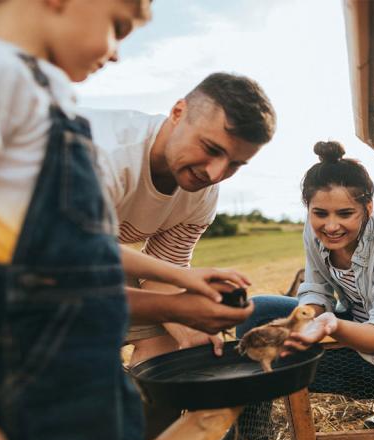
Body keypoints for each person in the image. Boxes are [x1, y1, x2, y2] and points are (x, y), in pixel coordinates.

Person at [0, 1, 157, 440]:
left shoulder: (53, 102)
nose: (115, 54)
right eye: (119, 25)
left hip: (84, 400)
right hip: (15, 415)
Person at [239, 140, 374, 434]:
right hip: (353, 324)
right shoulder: (313, 230)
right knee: (257, 313)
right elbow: (316, 288)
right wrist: (305, 320)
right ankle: (250, 432)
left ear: (367, 208)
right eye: (320, 214)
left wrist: (332, 327)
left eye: (344, 214)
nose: (330, 226)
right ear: (309, 208)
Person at [82, 72, 276, 365]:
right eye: (211, 149)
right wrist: (178, 300)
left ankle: (145, 409)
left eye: (235, 164)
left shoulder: (203, 193)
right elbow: (72, 256)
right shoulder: (103, 153)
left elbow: (161, 270)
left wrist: (188, 329)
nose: (215, 174)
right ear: (177, 112)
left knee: (167, 343)